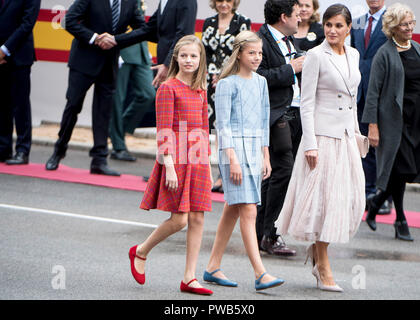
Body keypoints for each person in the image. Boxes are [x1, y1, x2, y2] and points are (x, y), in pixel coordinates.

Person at [276, 4, 365, 292]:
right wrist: (311, 144)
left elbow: (351, 100)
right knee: (324, 202)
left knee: (346, 201)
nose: (332, 30)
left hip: (346, 138)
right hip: (322, 139)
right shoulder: (315, 55)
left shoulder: (354, 54)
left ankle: (318, 253)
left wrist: (357, 134)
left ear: (348, 28)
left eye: (339, 25)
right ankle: (322, 264)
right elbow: (308, 103)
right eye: (328, 24)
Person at [129, 35, 214, 295]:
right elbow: (164, 130)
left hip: (198, 158)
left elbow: (203, 128)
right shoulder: (168, 87)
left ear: (201, 59)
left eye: (194, 56)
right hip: (176, 158)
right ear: (176, 58)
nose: (189, 60)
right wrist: (169, 165)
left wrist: (208, 165)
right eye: (184, 55)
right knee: (179, 221)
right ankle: (141, 251)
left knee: (198, 218)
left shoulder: (201, 90)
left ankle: (189, 277)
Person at [203, 30, 284, 291]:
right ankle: (261, 273)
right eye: (252, 53)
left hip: (253, 151)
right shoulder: (227, 84)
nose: (257, 57)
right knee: (249, 210)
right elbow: (222, 125)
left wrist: (266, 155)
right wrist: (231, 160)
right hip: (233, 153)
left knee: (233, 208)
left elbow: (263, 121)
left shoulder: (260, 82)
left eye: (260, 53)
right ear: (239, 54)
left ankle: (212, 266)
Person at [45, 0, 147, 176]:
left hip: (109, 63)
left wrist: (117, 40)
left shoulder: (131, 2)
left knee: (103, 112)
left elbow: (142, 29)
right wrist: (95, 38)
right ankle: (58, 151)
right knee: (73, 106)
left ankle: (99, 161)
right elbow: (69, 20)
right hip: (83, 60)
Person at [363, 3, 419, 242]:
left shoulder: (417, 48)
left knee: (406, 169)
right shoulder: (384, 53)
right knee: (401, 168)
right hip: (393, 122)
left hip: (416, 120)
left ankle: (376, 202)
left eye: (411, 23)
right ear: (393, 27)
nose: (409, 27)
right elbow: (373, 92)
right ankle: (401, 220)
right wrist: (372, 126)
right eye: (404, 24)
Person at [255, 0, 304, 257]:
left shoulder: (287, 39)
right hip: (276, 114)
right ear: (284, 17)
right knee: (283, 170)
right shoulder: (259, 40)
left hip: (295, 112)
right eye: (297, 14)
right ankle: (271, 233)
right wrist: (290, 69)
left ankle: (259, 232)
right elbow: (256, 76)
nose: (301, 17)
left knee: (274, 173)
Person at [201, 0, 251, 193]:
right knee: (208, 130)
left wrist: (224, 75)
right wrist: (208, 76)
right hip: (208, 84)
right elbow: (204, 54)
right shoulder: (208, 22)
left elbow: (242, 53)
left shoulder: (242, 22)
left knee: (226, 130)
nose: (224, 4)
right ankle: (209, 175)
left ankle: (225, 175)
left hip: (231, 83)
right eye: (220, 0)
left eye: (228, 0)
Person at [351, 0, 391, 214]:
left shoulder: (392, 21)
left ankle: (382, 194)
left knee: (381, 146)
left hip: (383, 92)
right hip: (359, 92)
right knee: (362, 144)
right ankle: (365, 192)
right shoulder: (357, 23)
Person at [109, 0, 156, 162]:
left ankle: (117, 131)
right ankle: (118, 145)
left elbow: (141, 25)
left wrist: (145, 49)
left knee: (148, 93)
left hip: (140, 51)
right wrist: (116, 50)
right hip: (122, 50)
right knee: (118, 99)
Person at [114, 0, 198, 89]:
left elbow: (184, 36)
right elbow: (148, 30)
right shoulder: (164, 1)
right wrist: (115, 39)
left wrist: (167, 64)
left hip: (176, 69)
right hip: (164, 66)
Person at [0, 0, 41, 165]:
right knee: (2, 103)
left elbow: (27, 23)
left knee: (20, 104)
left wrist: (4, 50)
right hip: (0, 58)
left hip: (19, 55)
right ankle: (3, 148)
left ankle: (23, 150)